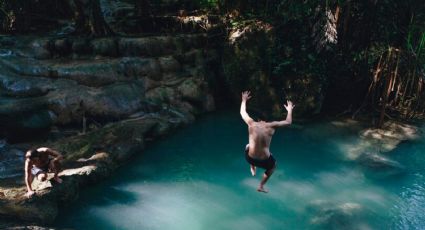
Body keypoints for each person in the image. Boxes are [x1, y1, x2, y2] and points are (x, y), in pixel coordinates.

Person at [240, 91, 294, 193]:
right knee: (273, 167)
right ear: (266, 120)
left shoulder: (251, 123)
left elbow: (242, 112)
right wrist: (289, 110)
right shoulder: (271, 126)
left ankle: (252, 167)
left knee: (247, 145)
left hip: (249, 158)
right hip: (264, 161)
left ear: (258, 119)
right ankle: (261, 185)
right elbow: (288, 122)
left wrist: (244, 100)